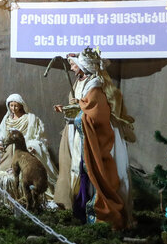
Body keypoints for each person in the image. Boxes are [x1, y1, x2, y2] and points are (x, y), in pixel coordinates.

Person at [52, 48, 135, 230]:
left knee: (94, 170)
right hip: (82, 135)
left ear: (83, 67)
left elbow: (95, 112)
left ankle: (97, 211)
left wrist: (77, 113)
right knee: (80, 168)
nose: (72, 68)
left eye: (75, 65)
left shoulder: (96, 87)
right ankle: (81, 208)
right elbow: (84, 106)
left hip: (96, 138)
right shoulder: (85, 83)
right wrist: (69, 109)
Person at [0, 93, 57, 207]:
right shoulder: (7, 119)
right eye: (11, 105)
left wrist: (32, 146)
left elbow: (38, 137)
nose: (13, 108)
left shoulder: (30, 118)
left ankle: (31, 197)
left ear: (21, 105)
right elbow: (1, 135)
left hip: (25, 149)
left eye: (16, 105)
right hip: (9, 152)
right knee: (7, 158)